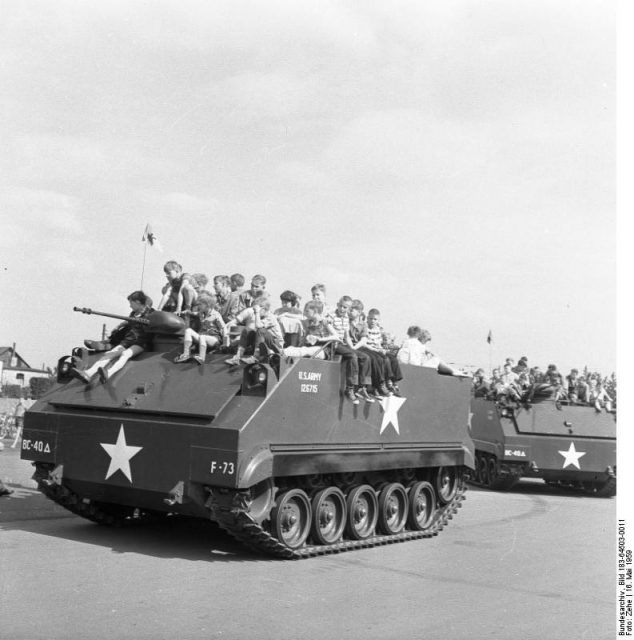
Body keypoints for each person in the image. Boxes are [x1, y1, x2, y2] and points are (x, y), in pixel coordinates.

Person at [71, 291, 152, 384]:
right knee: (109, 354)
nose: (130, 306)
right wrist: (119, 326)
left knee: (125, 354)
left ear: (138, 302)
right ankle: (88, 373)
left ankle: (108, 374)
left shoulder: (151, 313)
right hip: (128, 341)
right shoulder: (133, 314)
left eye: (131, 303)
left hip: (140, 342)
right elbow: (128, 322)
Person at [329, 296, 373, 404]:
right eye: (341, 306)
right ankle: (350, 388)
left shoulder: (346, 319)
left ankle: (362, 388)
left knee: (365, 357)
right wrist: (350, 350)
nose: (343, 309)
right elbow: (329, 329)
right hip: (333, 344)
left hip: (343, 344)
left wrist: (352, 347)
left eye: (346, 308)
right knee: (352, 356)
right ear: (337, 305)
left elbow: (347, 336)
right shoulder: (332, 316)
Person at [224, 293, 284, 365]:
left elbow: (259, 326)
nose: (254, 312)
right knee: (247, 331)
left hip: (276, 344)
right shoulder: (260, 316)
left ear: (263, 309)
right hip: (264, 342)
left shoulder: (271, 317)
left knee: (260, 330)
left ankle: (256, 357)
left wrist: (257, 312)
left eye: (255, 310)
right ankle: (237, 357)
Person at [174, 293, 225, 364]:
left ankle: (202, 357)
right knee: (188, 331)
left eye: (200, 304)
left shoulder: (216, 315)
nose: (198, 306)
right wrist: (186, 312)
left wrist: (225, 343)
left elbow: (223, 328)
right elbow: (194, 313)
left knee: (202, 337)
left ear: (207, 305)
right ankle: (186, 354)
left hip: (214, 339)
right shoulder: (201, 313)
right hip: (202, 338)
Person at [362, 308, 402, 396]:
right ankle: (383, 382)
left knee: (392, 358)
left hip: (376, 349)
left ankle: (394, 382)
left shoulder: (378, 330)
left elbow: (378, 343)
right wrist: (377, 350)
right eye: (371, 319)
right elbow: (364, 343)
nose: (372, 321)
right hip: (368, 349)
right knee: (383, 359)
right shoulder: (365, 327)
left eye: (375, 319)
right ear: (367, 318)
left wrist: (382, 349)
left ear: (378, 320)